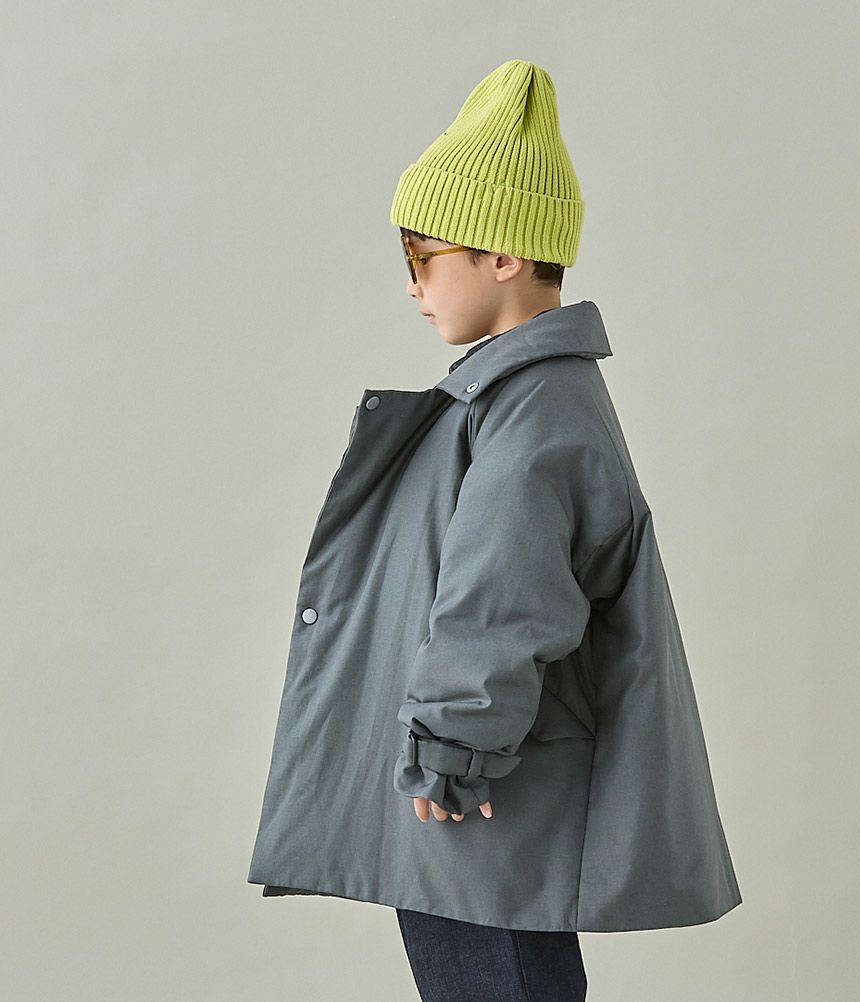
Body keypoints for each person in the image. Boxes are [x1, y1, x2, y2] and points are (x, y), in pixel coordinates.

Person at [247, 59, 741, 1002]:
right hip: (489, 767)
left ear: (501, 255)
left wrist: (450, 748)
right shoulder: (518, 396)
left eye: (420, 257)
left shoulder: (533, 406)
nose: (412, 286)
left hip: (483, 782)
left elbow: (504, 596)